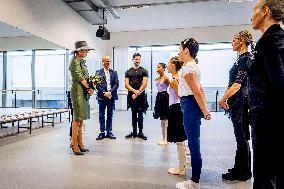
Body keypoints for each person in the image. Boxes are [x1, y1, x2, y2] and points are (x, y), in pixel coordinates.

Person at [249, 0, 284, 188]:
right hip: (270, 119)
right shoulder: (275, 38)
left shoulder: (270, 41)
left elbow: (279, 83)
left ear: (265, 11)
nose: (251, 16)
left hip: (268, 121)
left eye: (254, 11)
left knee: (265, 174)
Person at [176, 38, 211, 189]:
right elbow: (200, 90)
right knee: (193, 142)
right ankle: (195, 179)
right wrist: (204, 110)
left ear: (186, 50)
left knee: (193, 144)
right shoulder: (192, 66)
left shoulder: (188, 68)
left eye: (180, 49)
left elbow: (197, 92)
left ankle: (194, 182)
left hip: (190, 104)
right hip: (190, 104)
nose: (178, 52)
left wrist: (204, 111)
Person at [218, 30, 254, 182]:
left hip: (241, 102)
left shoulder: (246, 59)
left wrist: (222, 99)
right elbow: (232, 83)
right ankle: (240, 168)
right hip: (236, 102)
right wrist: (226, 97)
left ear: (241, 41)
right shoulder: (240, 59)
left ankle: (243, 173)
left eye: (234, 40)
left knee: (242, 138)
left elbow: (238, 85)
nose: (232, 43)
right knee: (240, 137)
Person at [69, 41, 94, 155]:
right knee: (77, 118)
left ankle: (80, 143)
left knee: (81, 117)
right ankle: (74, 145)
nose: (87, 52)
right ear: (79, 51)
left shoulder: (81, 61)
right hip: (77, 90)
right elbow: (79, 77)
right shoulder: (74, 62)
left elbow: (86, 77)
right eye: (85, 50)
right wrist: (89, 87)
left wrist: (90, 87)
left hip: (83, 90)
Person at [166, 56, 188, 176]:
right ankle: (182, 166)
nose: (167, 67)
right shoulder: (179, 77)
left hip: (176, 109)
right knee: (181, 140)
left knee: (179, 140)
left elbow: (181, 96)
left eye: (168, 64)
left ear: (173, 66)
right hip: (177, 109)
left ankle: (181, 169)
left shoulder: (175, 79)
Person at [125, 53, 149, 140]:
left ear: (140, 60)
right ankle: (134, 132)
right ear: (133, 59)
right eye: (136, 59)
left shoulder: (144, 71)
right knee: (133, 114)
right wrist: (134, 91)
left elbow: (145, 83)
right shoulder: (128, 71)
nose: (137, 61)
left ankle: (140, 132)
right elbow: (126, 84)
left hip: (141, 95)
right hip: (131, 95)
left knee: (140, 114)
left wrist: (138, 92)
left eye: (139, 59)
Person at [95, 56, 119, 140]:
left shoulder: (114, 72)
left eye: (109, 61)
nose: (108, 63)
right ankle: (102, 132)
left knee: (110, 115)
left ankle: (109, 131)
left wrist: (110, 92)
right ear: (103, 62)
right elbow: (96, 84)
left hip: (111, 96)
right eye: (107, 61)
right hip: (102, 97)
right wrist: (104, 93)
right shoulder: (98, 72)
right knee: (101, 115)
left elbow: (116, 84)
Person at [153, 62, 170, 146]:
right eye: (157, 67)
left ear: (164, 69)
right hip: (159, 97)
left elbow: (171, 88)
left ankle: (166, 138)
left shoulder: (166, 79)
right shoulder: (157, 79)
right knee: (161, 119)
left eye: (159, 67)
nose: (157, 69)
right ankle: (163, 137)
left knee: (165, 118)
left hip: (164, 97)